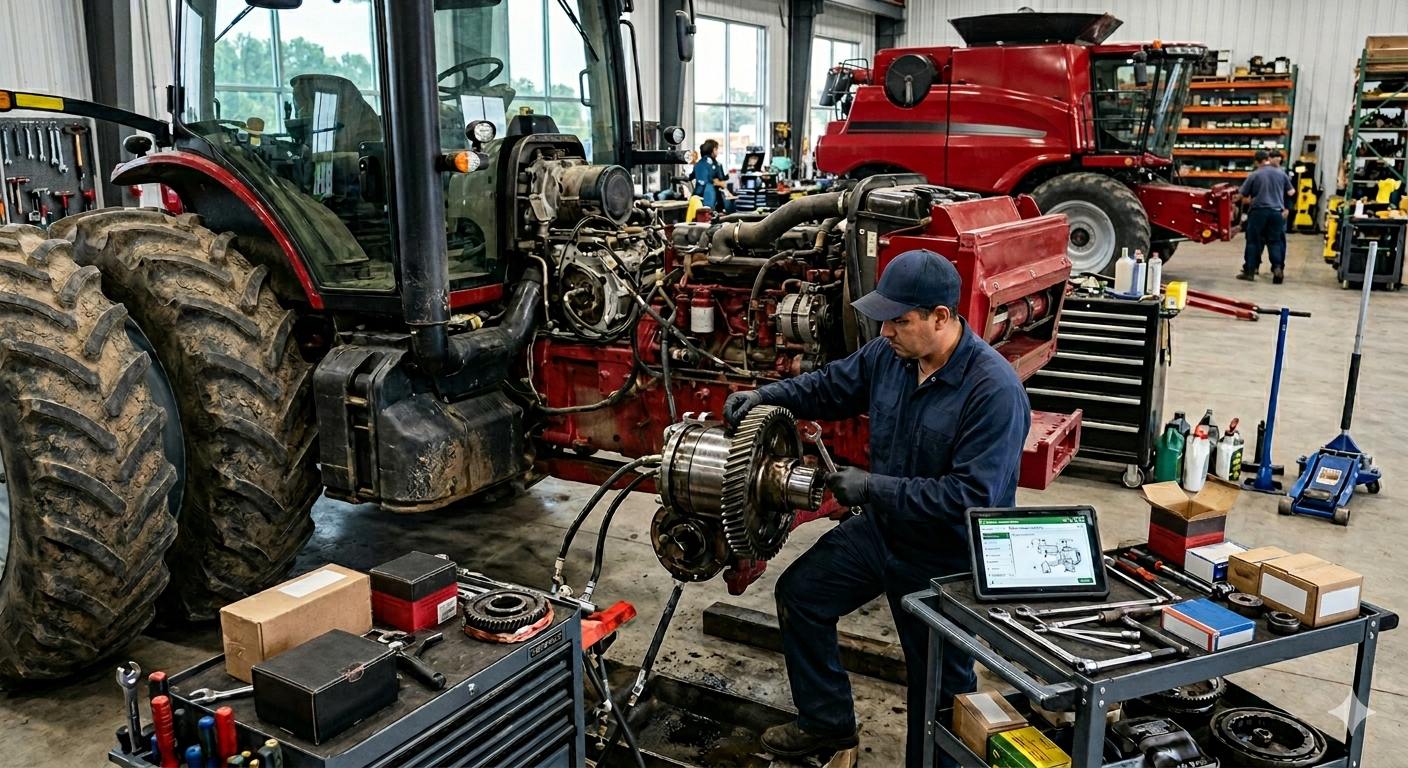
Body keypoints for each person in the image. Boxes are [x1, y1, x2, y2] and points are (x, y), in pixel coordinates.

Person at [722, 249, 1031, 767]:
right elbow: (829, 385)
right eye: (884, 320)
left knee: (938, 687)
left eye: (900, 321)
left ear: (941, 317)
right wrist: (767, 395)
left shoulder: (993, 391)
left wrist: (871, 489)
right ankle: (827, 723)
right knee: (801, 595)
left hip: (946, 557)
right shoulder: (891, 356)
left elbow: (969, 499)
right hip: (883, 533)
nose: (886, 332)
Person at [1239, 149, 1295, 283]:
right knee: (1274, 241)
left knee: (1253, 241)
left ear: (1257, 162)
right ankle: (1277, 269)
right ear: (1267, 159)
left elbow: (1244, 194)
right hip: (1276, 212)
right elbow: (1291, 191)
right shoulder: (1281, 174)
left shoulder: (1254, 175)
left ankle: (1250, 271)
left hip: (1259, 211)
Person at [692, 139, 730, 213]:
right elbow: (720, 181)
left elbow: (691, 177)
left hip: (697, 195)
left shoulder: (697, 164)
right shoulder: (716, 164)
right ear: (714, 150)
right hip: (711, 198)